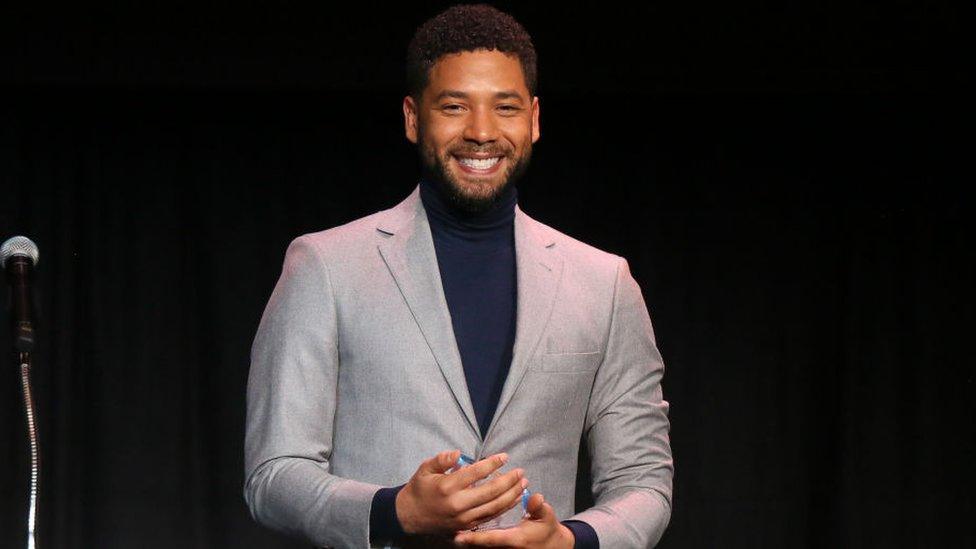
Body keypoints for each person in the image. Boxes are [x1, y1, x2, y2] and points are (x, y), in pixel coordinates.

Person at [244, 4, 673, 548]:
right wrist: (391, 511)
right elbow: (273, 475)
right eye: (453, 106)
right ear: (412, 117)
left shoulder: (605, 284)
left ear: (534, 119)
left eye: (506, 107)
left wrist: (572, 542)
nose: (481, 132)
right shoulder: (325, 267)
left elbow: (644, 482)